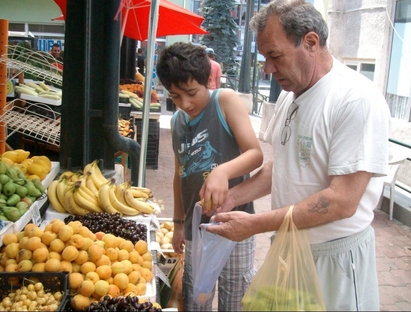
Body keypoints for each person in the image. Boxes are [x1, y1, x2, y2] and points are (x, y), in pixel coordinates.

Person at [206, 1, 391, 311]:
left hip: (335, 261)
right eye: (265, 58)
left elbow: (342, 200)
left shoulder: (355, 99)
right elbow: (284, 167)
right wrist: (232, 198)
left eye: (274, 56)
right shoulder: (292, 97)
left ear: (310, 43)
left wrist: (253, 224)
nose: (267, 69)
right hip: (290, 252)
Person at [156, 42, 264, 311]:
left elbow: (255, 154)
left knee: (235, 300)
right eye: (175, 97)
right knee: (197, 299)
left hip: (236, 225)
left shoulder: (224, 100)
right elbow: (180, 175)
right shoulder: (177, 122)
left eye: (191, 93)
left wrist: (222, 171)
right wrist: (179, 223)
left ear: (208, 80)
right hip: (197, 231)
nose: (185, 103)